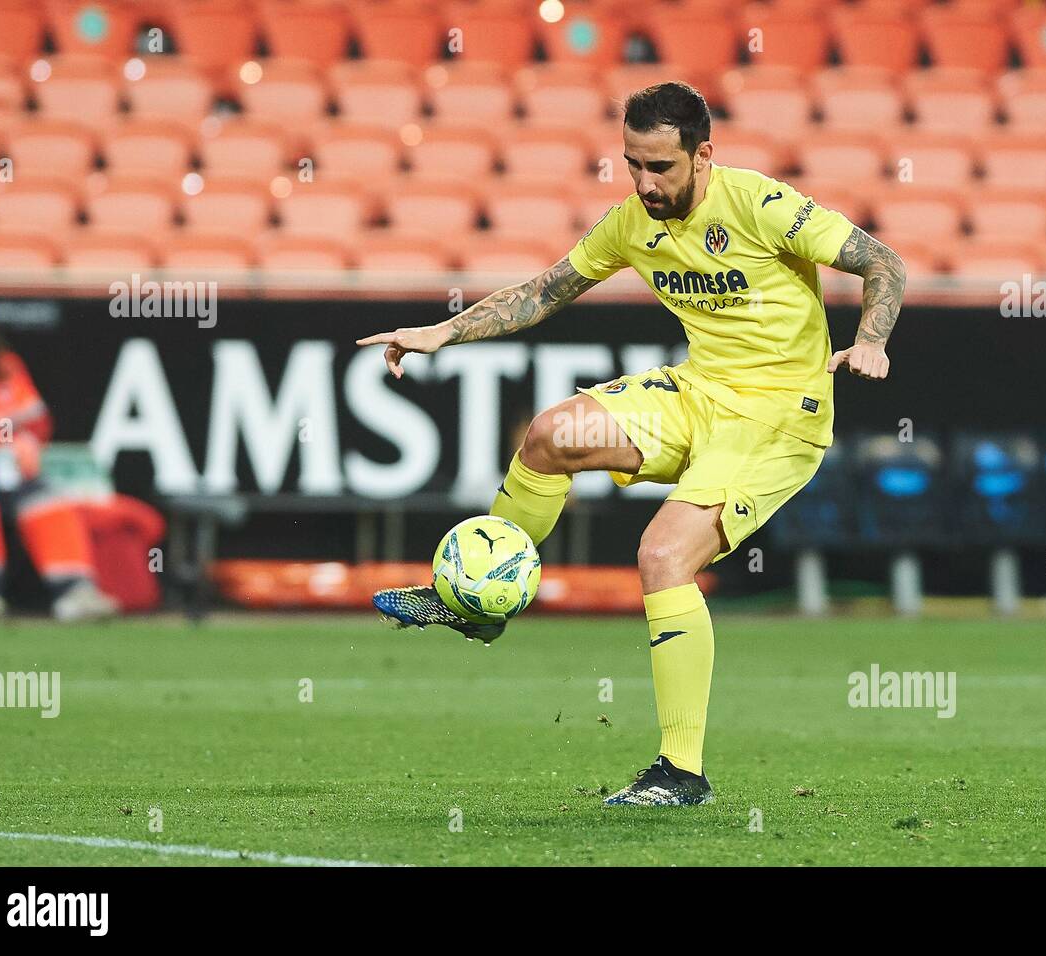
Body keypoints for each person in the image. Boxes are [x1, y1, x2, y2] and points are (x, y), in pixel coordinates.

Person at [359, 83, 905, 805]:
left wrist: (869, 340)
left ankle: (681, 773)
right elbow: (543, 292)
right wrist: (442, 332)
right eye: (632, 166)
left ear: (703, 155)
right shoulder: (630, 223)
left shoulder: (761, 205)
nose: (645, 184)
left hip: (778, 416)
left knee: (661, 557)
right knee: (551, 434)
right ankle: (479, 605)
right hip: (699, 395)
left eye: (661, 168)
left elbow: (884, 264)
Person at [0, 290, 117, 621]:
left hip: (6, 470)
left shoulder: (2, 367)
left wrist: (22, 449)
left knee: (48, 501)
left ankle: (75, 591)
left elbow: (35, 424)